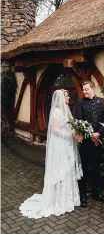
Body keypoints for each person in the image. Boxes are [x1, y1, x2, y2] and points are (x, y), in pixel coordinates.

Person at [19, 89, 83, 219]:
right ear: (61, 98)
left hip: (67, 144)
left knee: (68, 168)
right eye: (67, 96)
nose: (69, 98)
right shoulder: (57, 112)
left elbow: (70, 125)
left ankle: (67, 198)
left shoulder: (66, 109)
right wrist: (70, 134)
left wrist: (76, 132)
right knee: (61, 168)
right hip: (60, 144)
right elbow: (54, 130)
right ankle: (59, 200)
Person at [75, 80, 104, 207]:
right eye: (83, 90)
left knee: (96, 168)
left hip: (98, 142)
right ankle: (82, 196)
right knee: (83, 169)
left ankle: (97, 193)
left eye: (86, 89)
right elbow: (79, 121)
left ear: (93, 89)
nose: (84, 92)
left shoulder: (102, 102)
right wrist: (90, 135)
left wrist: (99, 133)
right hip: (85, 143)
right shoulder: (80, 102)